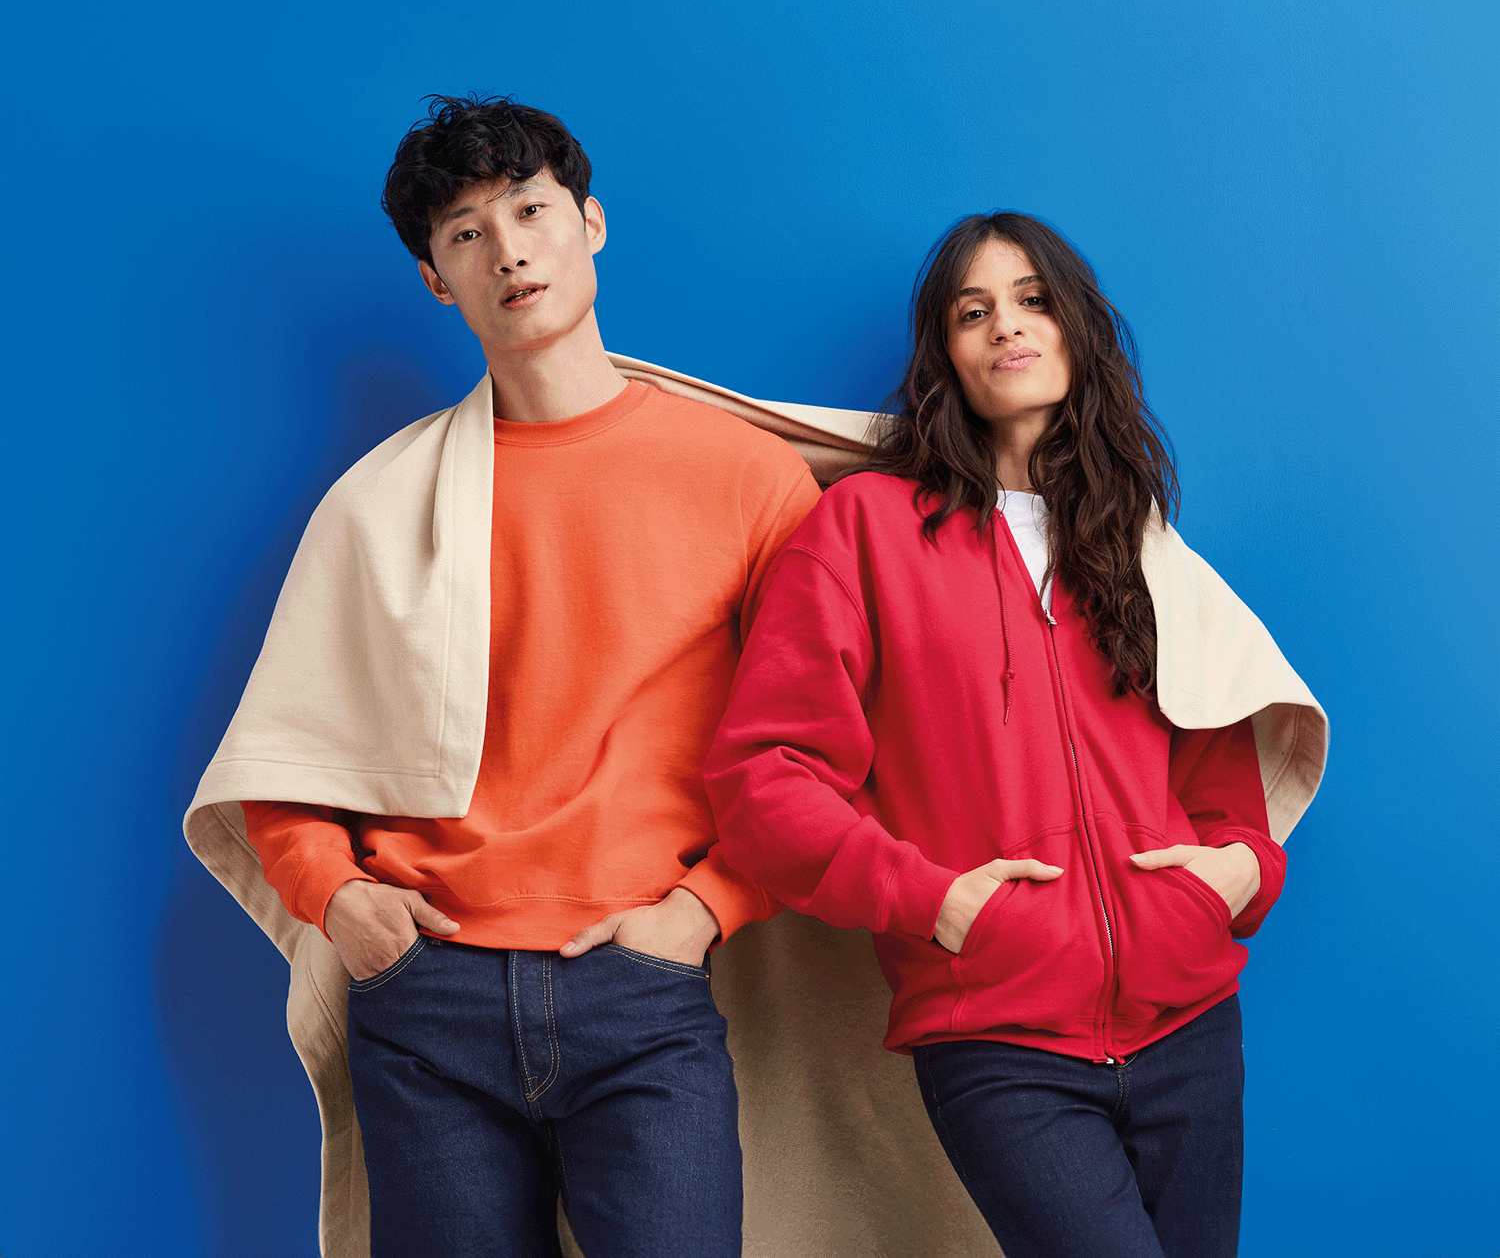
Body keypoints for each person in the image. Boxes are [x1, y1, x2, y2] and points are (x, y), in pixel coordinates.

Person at [185, 94, 824, 1258]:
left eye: (530, 211)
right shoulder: (380, 503)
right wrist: (345, 903)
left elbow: (819, 740)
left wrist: (703, 911)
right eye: (467, 233)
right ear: (437, 279)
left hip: (643, 983)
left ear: (591, 223)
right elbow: (282, 753)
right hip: (427, 993)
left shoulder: (748, 478)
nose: (509, 251)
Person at [702, 211, 1327, 1258]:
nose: (1006, 326)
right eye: (973, 312)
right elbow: (763, 777)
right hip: (998, 1035)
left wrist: (1237, 872)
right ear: (944, 354)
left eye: (1033, 300)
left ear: (1077, 327)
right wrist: (933, 901)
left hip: (1190, 1022)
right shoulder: (867, 528)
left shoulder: (1136, 539)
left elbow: (1215, 749)